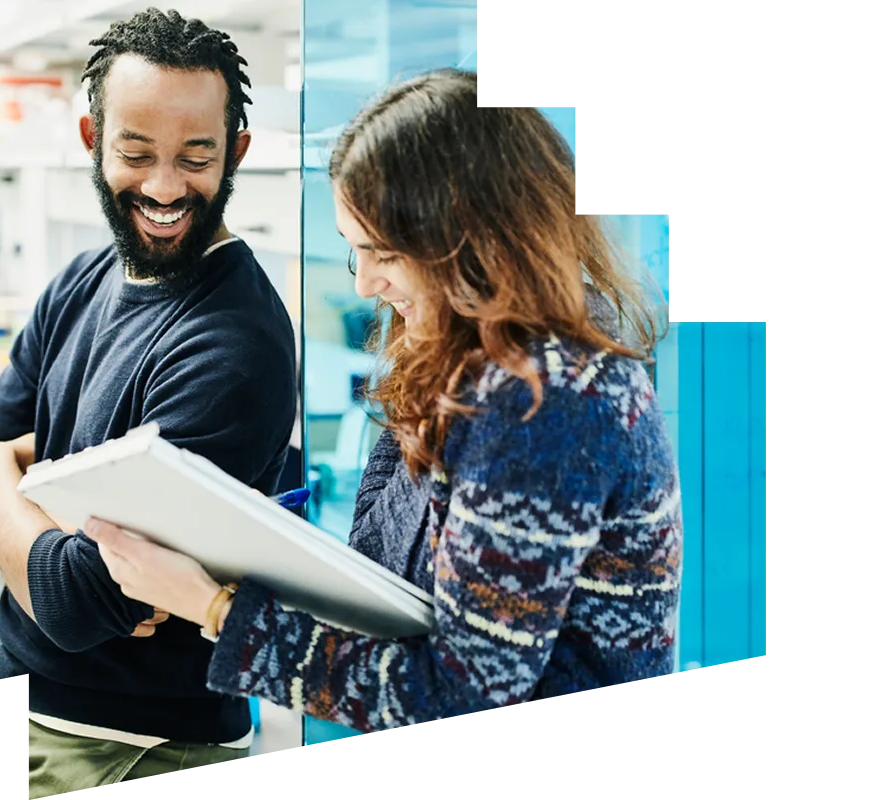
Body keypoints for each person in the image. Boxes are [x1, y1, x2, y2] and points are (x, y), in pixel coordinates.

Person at [85, 68, 682, 731]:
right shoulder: (470, 359)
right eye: (356, 251)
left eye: (386, 254)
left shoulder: (547, 402)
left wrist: (217, 609)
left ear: (477, 241)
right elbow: (390, 571)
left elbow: (465, 693)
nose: (366, 284)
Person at [0, 9, 297, 795]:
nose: (166, 187)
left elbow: (71, 601)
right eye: (136, 154)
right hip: (21, 684)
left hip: (132, 745)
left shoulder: (233, 345)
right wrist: (26, 526)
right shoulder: (80, 281)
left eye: (196, 157)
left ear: (236, 152)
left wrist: (3, 476)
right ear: (92, 139)